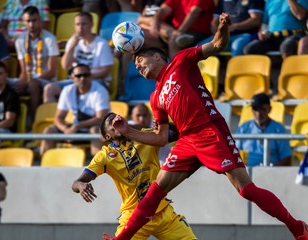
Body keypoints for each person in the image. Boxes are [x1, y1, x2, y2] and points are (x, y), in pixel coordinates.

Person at [102, 13, 308, 240]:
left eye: (141, 61)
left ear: (158, 57)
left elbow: (218, 45)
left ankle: (297, 227)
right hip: (187, 141)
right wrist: (128, 131)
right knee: (153, 194)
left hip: (210, 131)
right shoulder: (155, 97)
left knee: (245, 189)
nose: (138, 67)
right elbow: (161, 138)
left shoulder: (180, 62)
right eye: (136, 65)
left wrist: (223, 26)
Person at [72, 112, 197, 240]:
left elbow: (180, 133)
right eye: (111, 122)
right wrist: (81, 185)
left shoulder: (145, 136)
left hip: (162, 211)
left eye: (117, 119)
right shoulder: (105, 156)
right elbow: (76, 183)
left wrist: (166, 125)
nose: (116, 121)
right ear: (108, 136)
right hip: (133, 216)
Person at [39, 63, 110, 156]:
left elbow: (101, 118)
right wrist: (65, 130)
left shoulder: (100, 90)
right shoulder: (67, 90)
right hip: (77, 126)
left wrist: (77, 126)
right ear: (72, 77)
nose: (82, 78)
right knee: (49, 130)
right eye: (78, 76)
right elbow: (58, 117)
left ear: (91, 76)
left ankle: (97, 166)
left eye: (86, 75)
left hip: (92, 126)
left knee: (95, 130)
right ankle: (44, 165)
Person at [43, 11, 113, 103]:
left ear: (91, 24)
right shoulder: (73, 42)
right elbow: (65, 66)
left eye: (84, 24)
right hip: (75, 81)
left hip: (96, 81)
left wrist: (83, 77)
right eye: (77, 24)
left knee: (80, 87)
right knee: (49, 88)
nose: (80, 28)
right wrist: (71, 47)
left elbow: (105, 71)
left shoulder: (102, 44)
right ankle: (53, 116)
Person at [13, 6, 59, 124]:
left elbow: (52, 71)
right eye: (28, 21)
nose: (31, 24)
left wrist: (31, 81)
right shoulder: (20, 41)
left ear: (40, 20)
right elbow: (24, 71)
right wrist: (21, 82)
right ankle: (15, 125)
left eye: (34, 20)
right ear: (23, 22)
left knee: (33, 84)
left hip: (47, 80)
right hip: (29, 79)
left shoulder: (49, 39)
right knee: (8, 85)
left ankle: (34, 123)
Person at [140, 0, 215, 59]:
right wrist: (155, 24)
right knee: (143, 37)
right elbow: (163, 10)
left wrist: (179, 32)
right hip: (178, 32)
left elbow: (194, 13)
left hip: (198, 33)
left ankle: (176, 72)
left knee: (173, 40)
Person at [236, 93, 292, 167]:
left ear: (269, 109)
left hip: (271, 173)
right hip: (247, 173)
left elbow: (286, 157)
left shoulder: (279, 129)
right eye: (255, 109)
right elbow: (235, 154)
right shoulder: (243, 128)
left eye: (262, 109)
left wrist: (269, 173)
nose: (258, 114)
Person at [243, 0, 308, 59]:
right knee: (250, 49)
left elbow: (300, 15)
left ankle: (290, 70)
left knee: (286, 47)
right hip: (272, 37)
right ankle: (262, 70)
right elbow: (265, 23)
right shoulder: (269, 1)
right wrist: (262, 32)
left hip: (293, 36)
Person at [197, 0, 265, 56]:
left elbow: (256, 20)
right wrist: (217, 31)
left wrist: (235, 26)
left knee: (236, 46)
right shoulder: (222, 1)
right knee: (198, 48)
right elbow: (214, 22)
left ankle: (236, 71)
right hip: (223, 36)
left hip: (246, 35)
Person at [0, 61, 21, 160]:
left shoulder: (11, 95)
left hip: (5, 131)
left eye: (0, 74)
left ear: (6, 75)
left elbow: (9, 121)